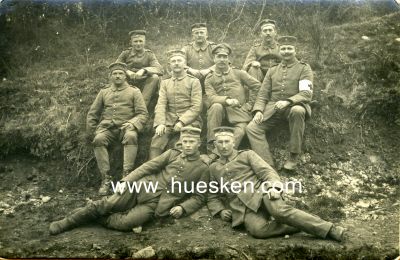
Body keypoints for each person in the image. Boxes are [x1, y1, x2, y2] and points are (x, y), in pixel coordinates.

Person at [49, 127, 210, 235]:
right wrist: (126, 180)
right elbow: (147, 167)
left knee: (127, 223)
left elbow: (199, 197)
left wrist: (182, 207)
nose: (187, 145)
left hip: (156, 205)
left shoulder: (203, 167)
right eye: (185, 142)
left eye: (192, 142)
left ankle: (91, 214)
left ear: (199, 143)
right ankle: (67, 222)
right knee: (109, 205)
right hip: (141, 187)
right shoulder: (172, 154)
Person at [207, 127, 346, 241]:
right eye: (220, 142)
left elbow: (267, 172)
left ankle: (330, 229)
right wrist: (220, 210)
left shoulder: (246, 155)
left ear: (234, 142)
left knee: (279, 211)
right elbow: (212, 194)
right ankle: (303, 223)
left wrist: (274, 187)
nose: (224, 146)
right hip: (243, 208)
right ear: (215, 145)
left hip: (262, 193)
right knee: (258, 231)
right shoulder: (213, 168)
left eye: (227, 141)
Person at [246, 36, 313, 170]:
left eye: (290, 48)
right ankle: (267, 164)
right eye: (283, 49)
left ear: (295, 50)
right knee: (252, 128)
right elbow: (263, 93)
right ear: (279, 51)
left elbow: (306, 93)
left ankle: (293, 156)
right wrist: (258, 110)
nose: (286, 51)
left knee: (298, 111)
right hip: (273, 109)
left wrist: (288, 101)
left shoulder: (304, 68)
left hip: (293, 106)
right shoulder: (272, 70)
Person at [87, 62, 148, 195]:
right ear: (110, 76)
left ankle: (126, 177)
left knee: (131, 136)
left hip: (126, 127)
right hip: (107, 128)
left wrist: (132, 123)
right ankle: (106, 179)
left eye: (121, 73)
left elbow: (143, 113)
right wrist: (93, 131)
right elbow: (93, 113)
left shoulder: (134, 91)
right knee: (98, 139)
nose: (118, 76)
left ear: (125, 76)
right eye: (115, 74)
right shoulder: (104, 92)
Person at [205, 43, 261, 151]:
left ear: (228, 58)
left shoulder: (238, 73)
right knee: (215, 106)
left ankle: (222, 153)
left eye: (224, 57)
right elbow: (211, 97)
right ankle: (211, 146)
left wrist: (250, 104)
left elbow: (257, 86)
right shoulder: (209, 78)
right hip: (220, 112)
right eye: (219, 56)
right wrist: (227, 101)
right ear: (214, 59)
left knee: (240, 131)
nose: (222, 59)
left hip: (239, 112)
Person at [149, 50, 202, 159]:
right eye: (173, 61)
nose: (176, 63)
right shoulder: (165, 82)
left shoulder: (194, 81)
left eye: (179, 60)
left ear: (185, 63)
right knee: (157, 141)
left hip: (191, 121)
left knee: (182, 144)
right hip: (169, 119)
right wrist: (160, 123)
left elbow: (196, 107)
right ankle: (152, 170)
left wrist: (182, 122)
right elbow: (161, 104)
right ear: (170, 65)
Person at [116, 30, 163, 108]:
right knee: (117, 75)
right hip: (128, 80)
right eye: (135, 41)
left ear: (144, 42)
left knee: (155, 77)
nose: (138, 44)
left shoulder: (149, 54)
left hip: (144, 82)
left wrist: (144, 70)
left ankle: (142, 108)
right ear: (131, 42)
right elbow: (116, 66)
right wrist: (127, 71)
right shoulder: (125, 53)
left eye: (141, 41)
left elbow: (159, 68)